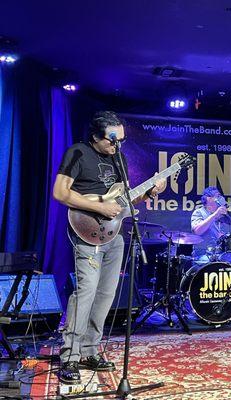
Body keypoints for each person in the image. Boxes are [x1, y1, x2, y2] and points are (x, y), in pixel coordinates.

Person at [53, 111, 165, 384]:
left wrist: (149, 192)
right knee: (86, 291)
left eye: (122, 140)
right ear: (95, 136)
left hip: (114, 234)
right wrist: (98, 206)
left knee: (106, 294)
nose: (117, 146)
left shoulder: (120, 159)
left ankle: (90, 351)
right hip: (86, 231)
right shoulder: (78, 153)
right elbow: (60, 193)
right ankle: (69, 356)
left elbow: (124, 203)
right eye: (112, 141)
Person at [190, 186, 231, 263]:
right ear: (208, 198)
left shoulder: (226, 217)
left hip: (223, 254)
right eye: (217, 195)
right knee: (208, 262)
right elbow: (197, 231)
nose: (221, 197)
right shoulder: (199, 212)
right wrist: (215, 214)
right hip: (203, 255)